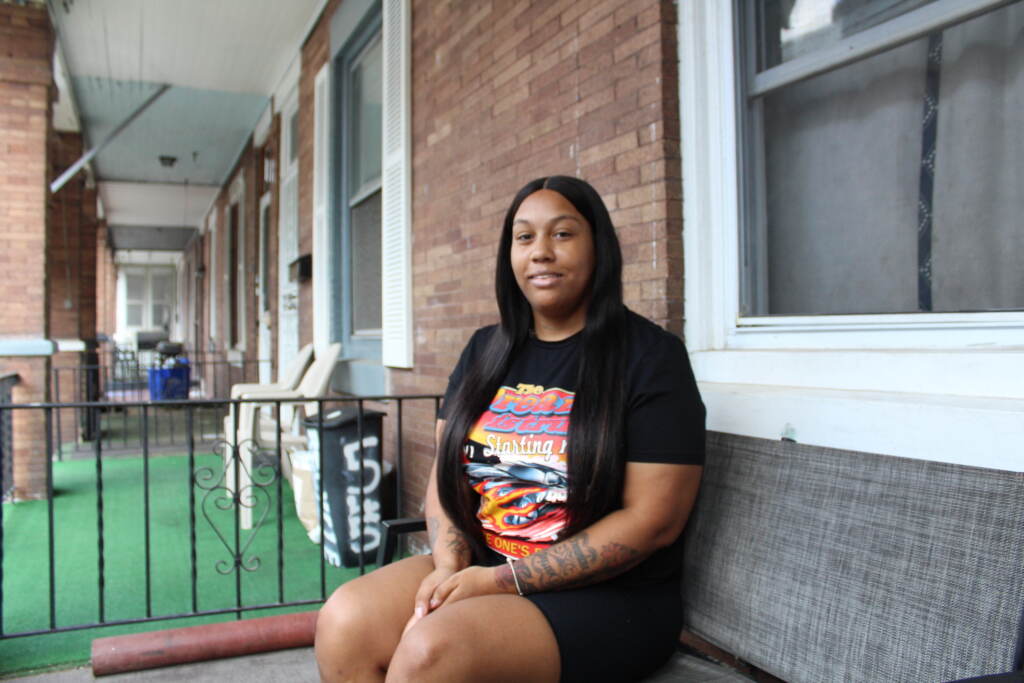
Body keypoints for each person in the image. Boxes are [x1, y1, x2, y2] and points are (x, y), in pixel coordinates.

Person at [315, 176, 705, 682]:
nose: (541, 252)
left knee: (432, 651)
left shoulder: (651, 358)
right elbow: (444, 479)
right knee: (344, 620)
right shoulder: (485, 351)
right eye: (524, 237)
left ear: (598, 247)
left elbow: (654, 521)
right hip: (482, 564)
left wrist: (502, 581)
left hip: (609, 596)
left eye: (562, 234)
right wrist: (450, 565)